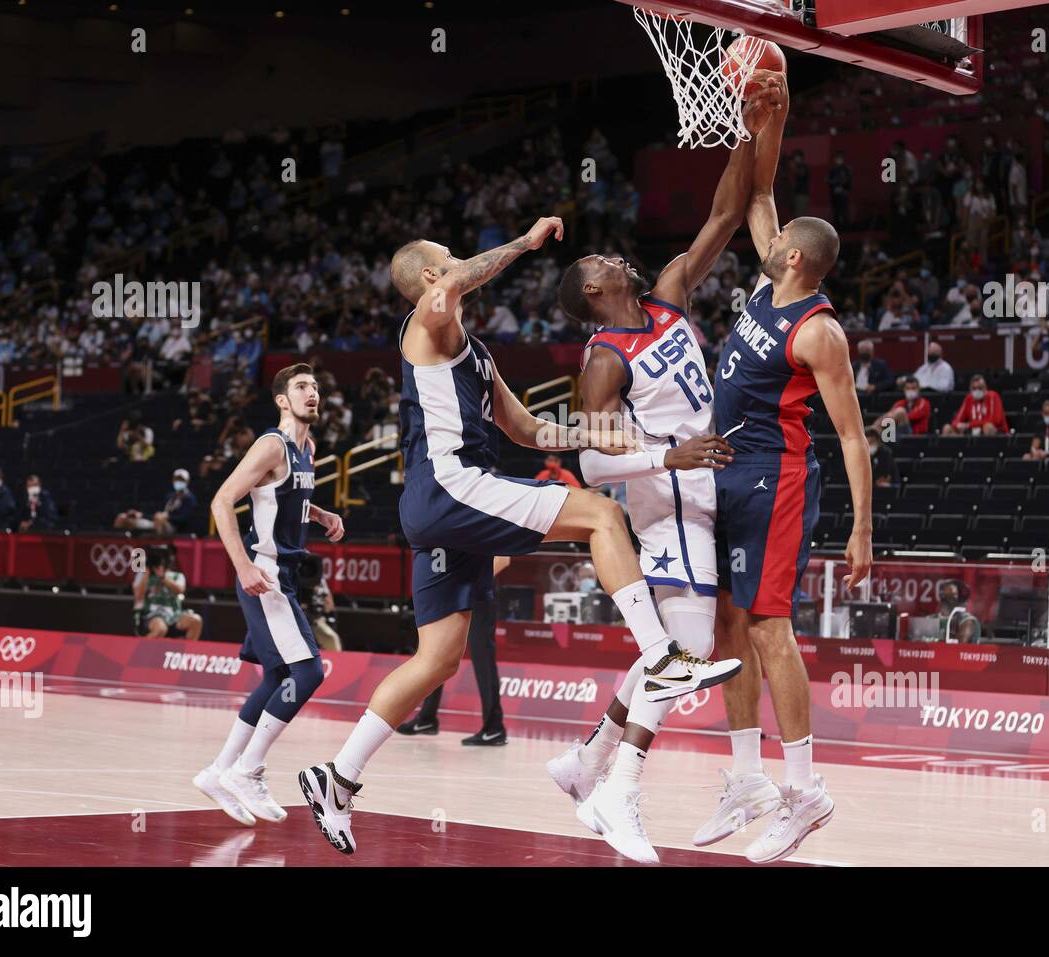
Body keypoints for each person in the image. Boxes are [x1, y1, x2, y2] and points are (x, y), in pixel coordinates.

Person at [298, 216, 742, 856]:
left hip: (444, 503)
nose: (455, 263)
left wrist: (590, 435)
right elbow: (452, 285)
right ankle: (662, 657)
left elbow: (528, 430)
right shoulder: (425, 324)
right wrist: (527, 245)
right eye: (446, 257)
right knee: (600, 515)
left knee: (437, 660)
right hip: (452, 486)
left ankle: (336, 778)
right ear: (429, 275)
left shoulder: (472, 352)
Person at [543, 75, 784, 863]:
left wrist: (749, 126)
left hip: (701, 492)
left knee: (676, 650)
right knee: (680, 654)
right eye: (602, 258)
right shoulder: (602, 361)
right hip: (666, 500)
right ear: (590, 289)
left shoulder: (670, 294)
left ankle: (585, 764)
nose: (618, 254)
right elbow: (588, 460)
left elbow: (725, 210)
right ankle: (618, 791)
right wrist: (666, 455)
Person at [700, 104, 873, 864]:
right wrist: (767, 112)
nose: (765, 242)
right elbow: (762, 187)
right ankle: (747, 777)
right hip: (729, 472)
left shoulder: (819, 331)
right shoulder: (775, 276)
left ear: (795, 261)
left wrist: (863, 528)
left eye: (777, 244)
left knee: (771, 628)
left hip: (777, 480)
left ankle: (805, 793)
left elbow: (854, 435)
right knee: (727, 627)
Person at [192, 363, 346, 828]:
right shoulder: (270, 445)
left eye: (316, 386)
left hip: (288, 574)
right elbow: (222, 500)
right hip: (265, 573)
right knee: (308, 671)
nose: (312, 393)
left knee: (276, 674)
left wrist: (319, 515)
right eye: (301, 387)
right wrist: (243, 567)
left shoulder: (309, 447)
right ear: (282, 399)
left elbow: (285, 497)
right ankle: (247, 770)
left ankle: (218, 772)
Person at [398, 555, 510, 745]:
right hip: (454, 591)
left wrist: (469, 586)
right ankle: (427, 718)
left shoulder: (487, 526)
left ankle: (494, 727)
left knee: (482, 656)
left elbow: (503, 559)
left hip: (478, 593)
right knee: (437, 651)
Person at [133, 545, 203, 640]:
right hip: (152, 615)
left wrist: (163, 577)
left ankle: (185, 653)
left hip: (174, 614)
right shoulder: (142, 575)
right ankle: (140, 650)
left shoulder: (177, 576)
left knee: (196, 621)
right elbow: (138, 596)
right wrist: (146, 573)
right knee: (161, 629)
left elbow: (180, 590)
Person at [114, 468, 199, 534]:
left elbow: (183, 518)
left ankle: (160, 549)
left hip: (174, 527)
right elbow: (156, 514)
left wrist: (167, 517)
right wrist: (141, 515)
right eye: (177, 479)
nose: (178, 482)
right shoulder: (169, 496)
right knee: (122, 517)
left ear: (187, 482)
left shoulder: (190, 499)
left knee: (159, 520)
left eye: (181, 480)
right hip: (156, 523)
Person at [942, 374, 1008, 435]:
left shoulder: (993, 396)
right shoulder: (969, 398)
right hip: (972, 431)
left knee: (988, 427)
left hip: (996, 432)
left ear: (985, 387)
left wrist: (969, 425)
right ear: (970, 389)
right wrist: (958, 425)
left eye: (980, 388)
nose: (977, 391)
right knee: (947, 428)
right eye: (974, 388)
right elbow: (957, 419)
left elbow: (995, 421)